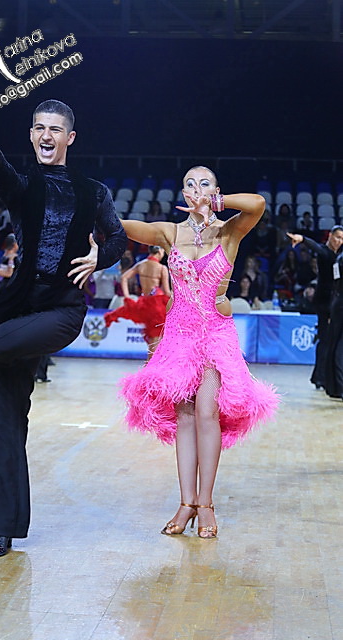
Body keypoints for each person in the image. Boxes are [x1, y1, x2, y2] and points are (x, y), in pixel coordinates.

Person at [0, 99, 127, 557]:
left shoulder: (93, 191)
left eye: (55, 129)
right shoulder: (23, 187)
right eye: (39, 128)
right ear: (31, 134)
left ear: (69, 138)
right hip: (19, 307)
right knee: (2, 419)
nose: (46, 135)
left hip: (62, 310)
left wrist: (100, 256)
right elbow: (0, 170)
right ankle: (3, 526)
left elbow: (117, 236)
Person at [117, 166, 279, 539]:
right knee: (185, 416)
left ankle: (205, 504)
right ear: (182, 193)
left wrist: (217, 203)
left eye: (204, 183)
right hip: (179, 335)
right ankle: (186, 502)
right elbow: (123, 226)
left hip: (215, 334)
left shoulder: (229, 231)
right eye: (190, 183)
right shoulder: (170, 233)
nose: (196, 188)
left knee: (208, 412)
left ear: (216, 190)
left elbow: (258, 204)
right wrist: (90, 214)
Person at [287, 226, 343, 389]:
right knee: (325, 339)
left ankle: (321, 376)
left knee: (328, 339)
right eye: (337, 237)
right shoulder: (325, 252)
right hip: (325, 302)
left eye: (342, 239)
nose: (339, 241)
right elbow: (316, 247)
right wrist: (303, 239)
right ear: (330, 236)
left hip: (334, 301)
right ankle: (321, 378)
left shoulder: (339, 255)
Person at [105, 245, 171, 358]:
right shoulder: (161, 268)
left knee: (152, 336)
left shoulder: (141, 264)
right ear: (160, 252)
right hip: (158, 305)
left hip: (145, 303)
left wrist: (127, 297)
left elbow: (124, 278)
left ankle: (150, 362)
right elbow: (167, 292)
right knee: (157, 337)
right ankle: (152, 363)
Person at [325, 250, 343, 400]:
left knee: (336, 345)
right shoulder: (340, 258)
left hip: (338, 304)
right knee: (339, 347)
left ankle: (336, 387)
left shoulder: (339, 258)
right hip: (340, 305)